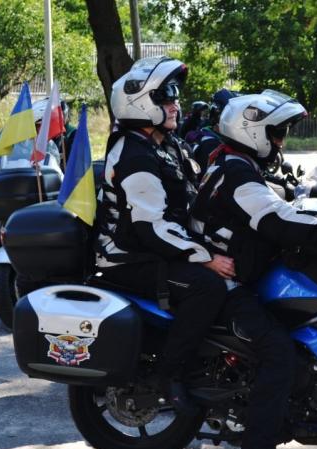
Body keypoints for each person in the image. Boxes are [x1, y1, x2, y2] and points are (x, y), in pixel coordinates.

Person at [191, 90, 317, 449]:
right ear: (252, 132)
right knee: (279, 352)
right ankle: (258, 447)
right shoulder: (236, 172)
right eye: (276, 132)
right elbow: (276, 219)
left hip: (237, 272)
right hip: (226, 283)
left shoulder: (235, 162)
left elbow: (273, 201)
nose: (281, 140)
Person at [94, 56, 235, 415]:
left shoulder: (164, 144)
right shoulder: (134, 155)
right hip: (127, 257)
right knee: (208, 287)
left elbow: (195, 190)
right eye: (165, 97)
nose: (175, 104)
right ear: (140, 104)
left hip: (154, 247)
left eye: (174, 96)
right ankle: (170, 375)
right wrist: (206, 257)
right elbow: (151, 226)